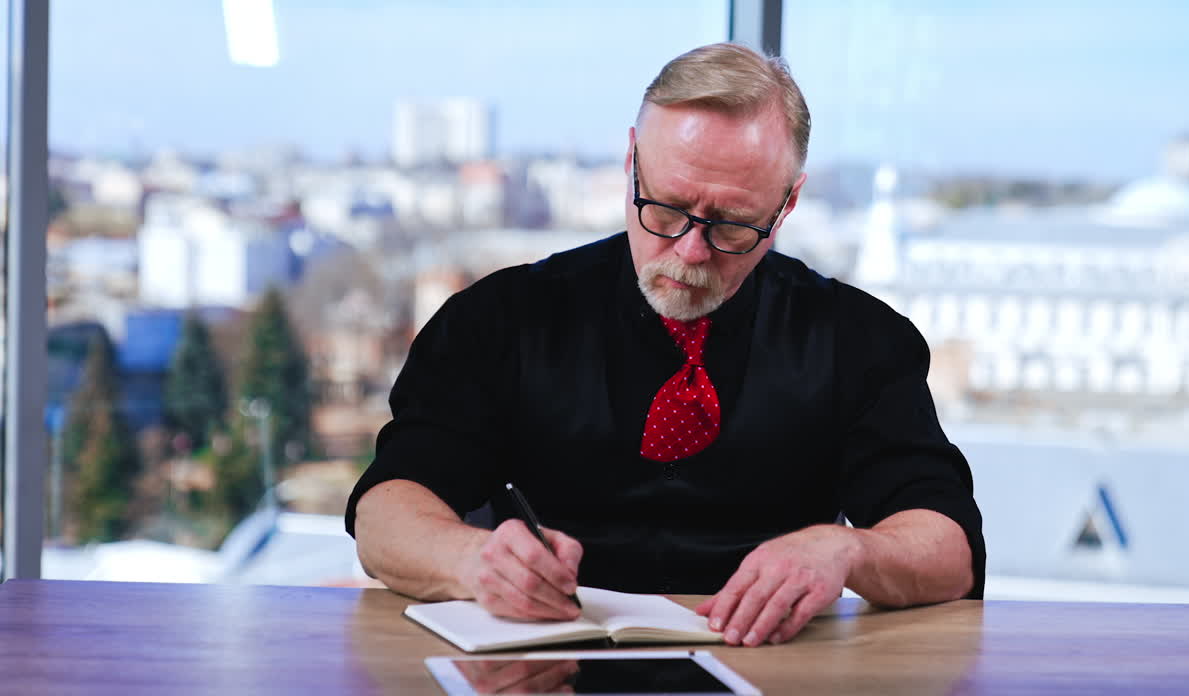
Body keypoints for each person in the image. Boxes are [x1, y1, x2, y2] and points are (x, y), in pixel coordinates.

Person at [346, 42, 985, 648]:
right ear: (630, 162)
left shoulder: (858, 340)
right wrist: (472, 559)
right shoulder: (502, 318)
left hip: (781, 676)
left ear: (787, 204)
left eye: (732, 224)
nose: (690, 252)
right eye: (667, 208)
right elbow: (384, 514)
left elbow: (950, 549)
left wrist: (850, 551)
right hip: (536, 665)